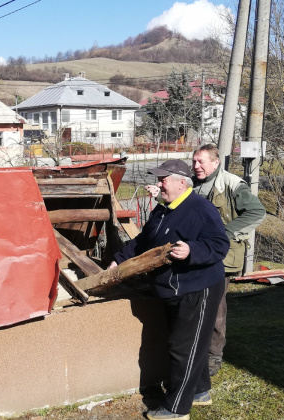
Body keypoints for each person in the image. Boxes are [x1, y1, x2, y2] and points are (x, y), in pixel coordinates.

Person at [109, 159, 229, 420]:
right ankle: (199, 391)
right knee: (187, 344)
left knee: (183, 348)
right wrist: (118, 260)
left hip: (198, 287)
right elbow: (143, 241)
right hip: (173, 287)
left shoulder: (200, 209)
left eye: (163, 179)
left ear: (181, 183)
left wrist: (191, 250)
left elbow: (220, 244)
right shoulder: (164, 209)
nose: (159, 183)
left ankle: (176, 408)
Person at [192, 143, 266, 376]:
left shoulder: (232, 184)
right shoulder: (191, 184)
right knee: (193, 302)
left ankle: (214, 354)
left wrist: (225, 233)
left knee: (215, 306)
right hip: (195, 253)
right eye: (194, 162)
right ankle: (193, 348)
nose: (196, 166)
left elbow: (256, 212)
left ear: (215, 162)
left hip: (222, 256)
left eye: (200, 162)